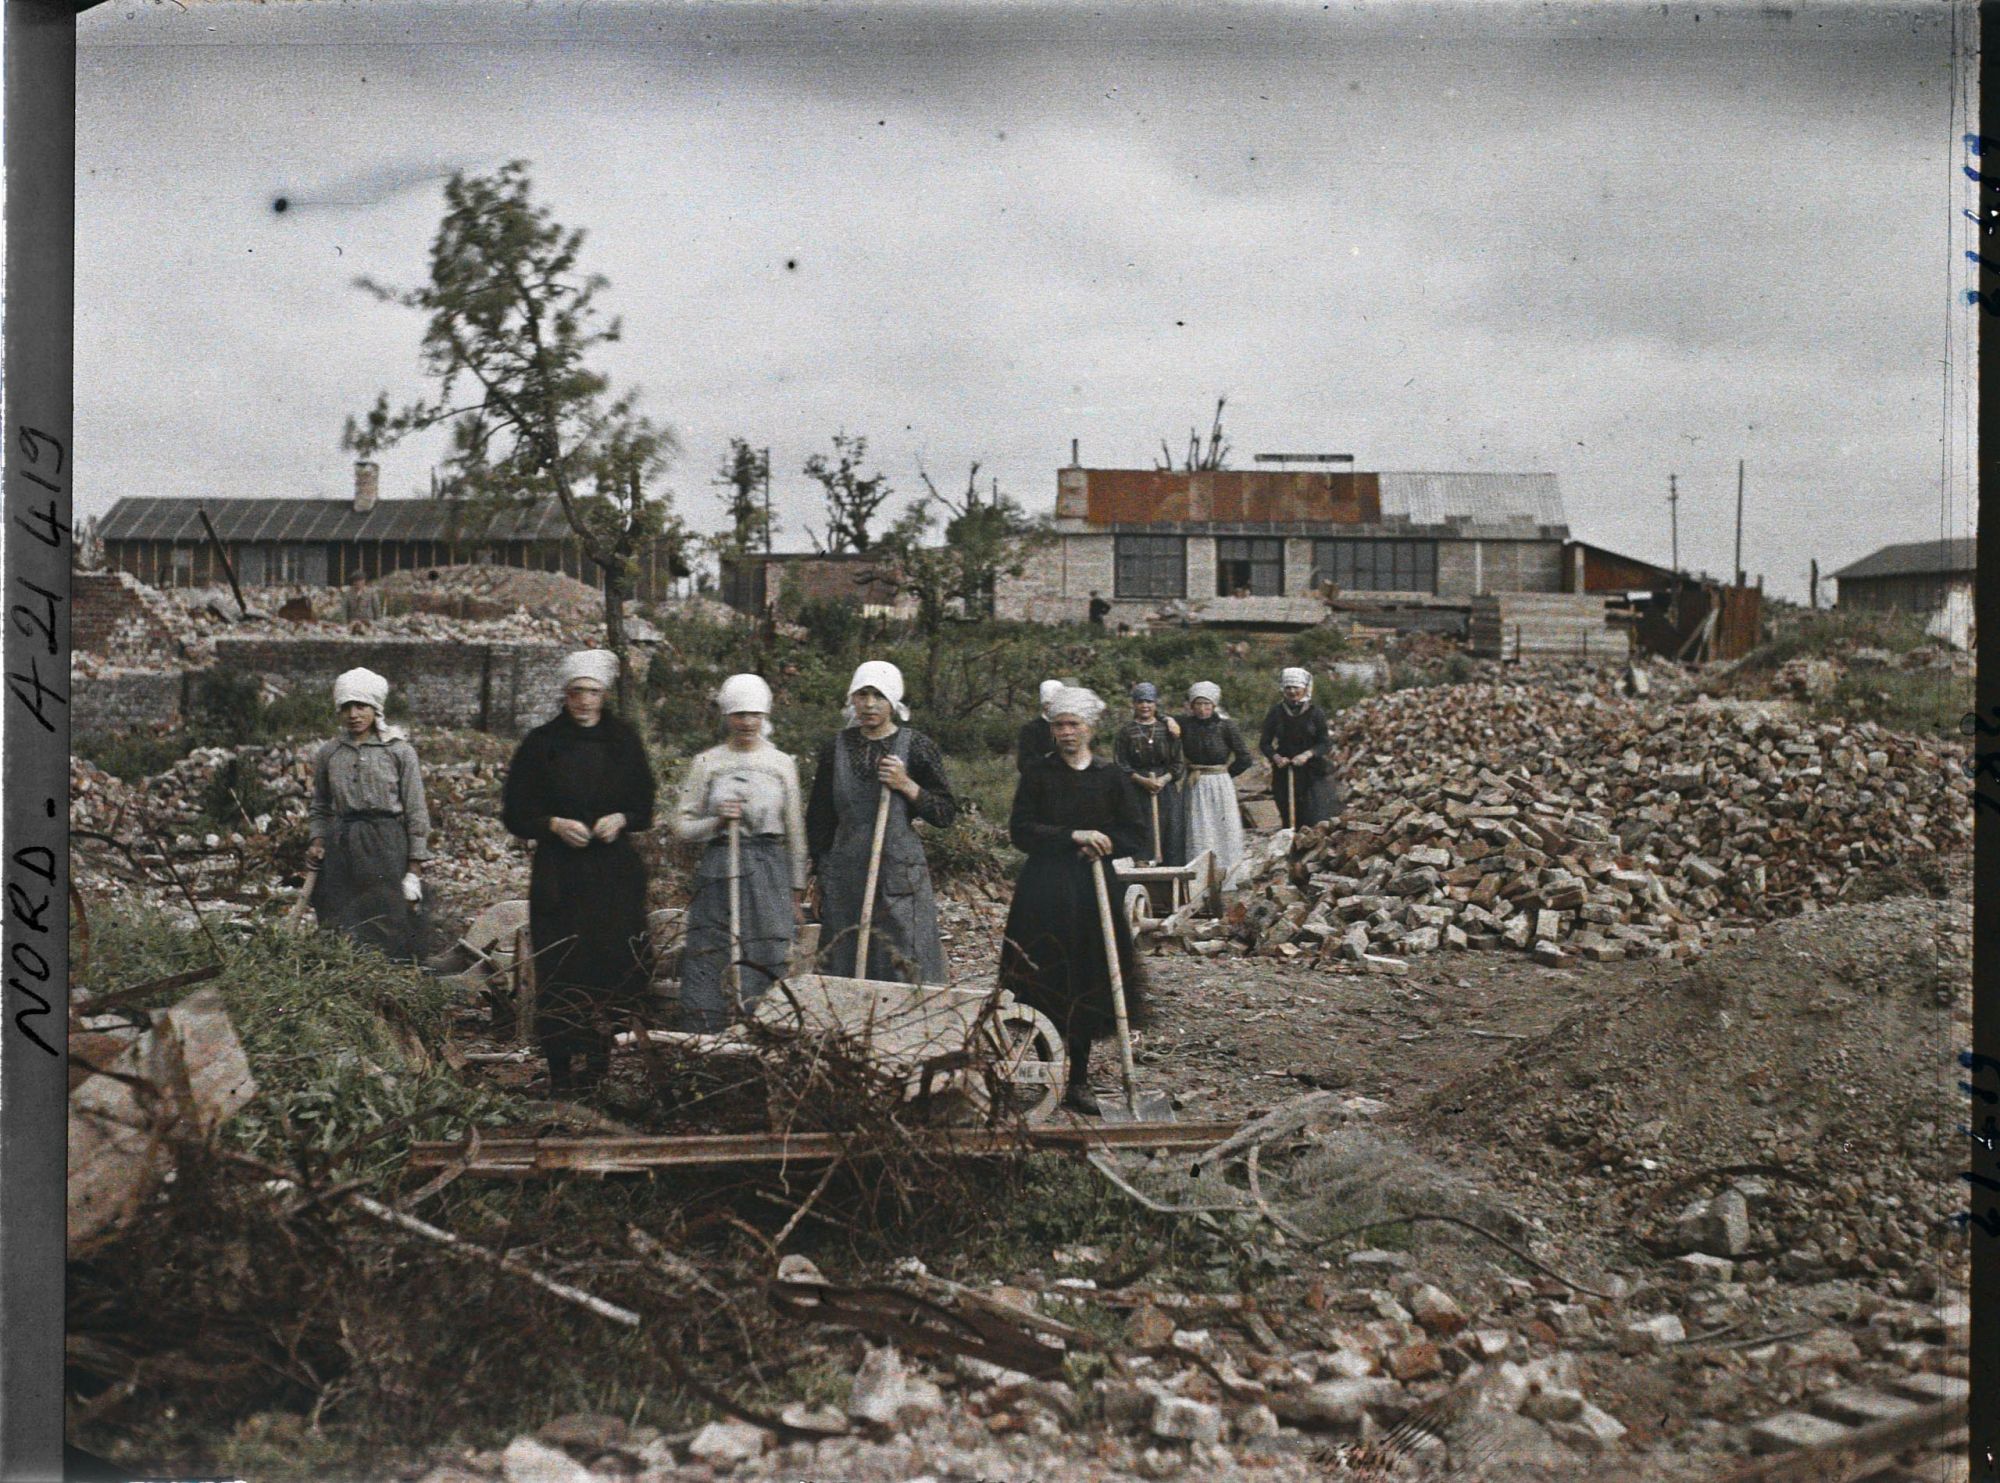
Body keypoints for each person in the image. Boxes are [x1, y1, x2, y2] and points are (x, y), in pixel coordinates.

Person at [500, 649, 656, 1095]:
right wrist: (552, 824)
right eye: (577, 692)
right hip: (559, 876)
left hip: (612, 875)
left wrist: (621, 818)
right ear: (565, 695)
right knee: (561, 967)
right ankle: (561, 1072)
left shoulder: (624, 740)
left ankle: (599, 1068)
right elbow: (514, 812)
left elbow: (645, 804)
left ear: (604, 695)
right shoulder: (541, 743)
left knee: (607, 967)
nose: (585, 701)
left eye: (593, 692)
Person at [999, 686, 1150, 1116]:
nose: (1066, 733)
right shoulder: (1038, 774)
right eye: (1059, 725)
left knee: (1088, 978)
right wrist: (1070, 837)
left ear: (1091, 728)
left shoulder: (1111, 776)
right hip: (1044, 890)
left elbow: (1134, 832)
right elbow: (1021, 831)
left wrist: (1103, 845)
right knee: (1039, 975)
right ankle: (1038, 1068)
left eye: (1074, 724)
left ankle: (1079, 1078)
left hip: (1092, 889)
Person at [805, 660, 956, 983]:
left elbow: (944, 813)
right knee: (842, 957)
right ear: (852, 699)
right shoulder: (836, 748)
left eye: (878, 695)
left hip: (898, 873)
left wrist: (906, 784)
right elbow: (820, 817)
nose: (869, 704)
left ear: (893, 702)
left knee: (901, 957)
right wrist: (820, 873)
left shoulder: (917, 747)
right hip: (847, 872)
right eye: (862, 694)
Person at [673, 674, 807, 1032]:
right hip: (719, 868)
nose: (747, 722)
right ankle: (708, 1036)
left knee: (768, 949)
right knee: (712, 950)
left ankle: (767, 1031)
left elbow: (795, 832)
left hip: (768, 869)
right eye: (739, 714)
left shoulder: (781, 764)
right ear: (726, 716)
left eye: (755, 714)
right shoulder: (707, 763)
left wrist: (796, 890)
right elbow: (681, 826)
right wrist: (715, 821)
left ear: (765, 716)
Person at [307, 667, 429, 962]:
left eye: (361, 706)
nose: (353, 714)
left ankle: (389, 984)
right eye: (346, 707)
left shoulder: (398, 751)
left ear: (376, 709)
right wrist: (317, 840)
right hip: (341, 843)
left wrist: (414, 868)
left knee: (387, 916)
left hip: (385, 842)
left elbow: (416, 810)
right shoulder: (330, 753)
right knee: (338, 915)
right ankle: (345, 980)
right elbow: (321, 805)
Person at [1176, 680, 1253, 872]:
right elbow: (1160, 718)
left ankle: (1227, 872)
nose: (1203, 709)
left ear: (1214, 705)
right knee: (1199, 826)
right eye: (1198, 704)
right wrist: (1167, 720)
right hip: (1196, 782)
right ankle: (1200, 874)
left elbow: (1245, 757)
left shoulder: (1226, 726)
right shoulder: (1185, 724)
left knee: (1223, 826)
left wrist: (1225, 774)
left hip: (1219, 782)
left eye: (1207, 704)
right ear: (1192, 706)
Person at [1259, 666, 1340, 830]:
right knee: (1287, 815)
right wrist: (1275, 757)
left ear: (1304, 688)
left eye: (1296, 687)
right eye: (1288, 687)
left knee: (1313, 816)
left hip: (1311, 772)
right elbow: (1265, 743)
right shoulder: (1276, 712)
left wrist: (1307, 754)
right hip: (1285, 769)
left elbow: (1325, 743)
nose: (1292, 691)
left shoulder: (1315, 713)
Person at [1114, 682, 1185, 865]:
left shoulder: (1168, 729)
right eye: (1140, 701)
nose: (1145, 706)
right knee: (1141, 831)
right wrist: (1141, 780)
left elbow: (1178, 763)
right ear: (1134, 704)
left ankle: (1172, 880)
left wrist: (1163, 780)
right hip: (1137, 789)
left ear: (1155, 704)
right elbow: (1121, 764)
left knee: (1171, 831)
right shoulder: (1126, 732)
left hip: (1165, 789)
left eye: (1149, 701)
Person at [1015, 679, 1065, 773]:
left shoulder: (1070, 726)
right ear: (1045, 705)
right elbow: (1024, 764)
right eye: (1050, 703)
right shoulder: (1031, 729)